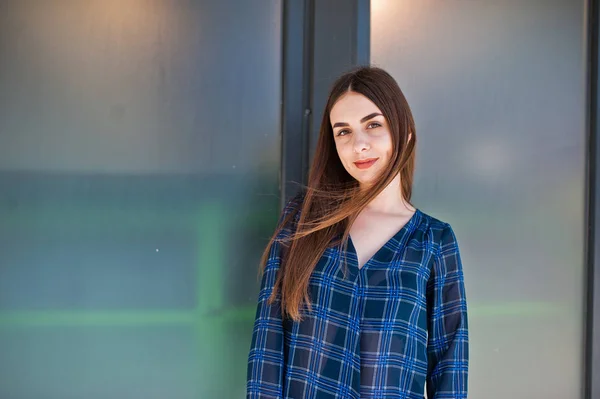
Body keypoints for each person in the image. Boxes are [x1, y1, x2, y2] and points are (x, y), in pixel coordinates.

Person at [246, 66, 468, 399]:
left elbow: (449, 367)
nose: (358, 145)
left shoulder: (434, 241)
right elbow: (268, 342)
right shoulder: (303, 219)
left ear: (404, 132)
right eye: (343, 132)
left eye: (373, 125)